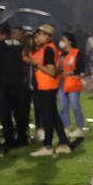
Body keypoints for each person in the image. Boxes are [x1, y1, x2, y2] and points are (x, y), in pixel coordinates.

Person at [25, 23, 72, 156]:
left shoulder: (48, 50)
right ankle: (63, 143)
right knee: (54, 116)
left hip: (46, 87)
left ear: (48, 36)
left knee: (48, 118)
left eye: (40, 34)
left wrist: (37, 64)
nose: (37, 37)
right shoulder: (47, 48)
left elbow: (51, 71)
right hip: (47, 86)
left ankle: (48, 145)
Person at [0, 24, 29, 149]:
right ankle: (22, 137)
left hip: (5, 84)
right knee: (19, 112)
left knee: (5, 113)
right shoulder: (18, 45)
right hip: (18, 83)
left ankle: (10, 140)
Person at [57, 32, 86, 138]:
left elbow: (80, 68)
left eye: (63, 40)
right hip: (61, 83)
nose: (61, 42)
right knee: (63, 107)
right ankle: (66, 127)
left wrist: (69, 73)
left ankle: (79, 127)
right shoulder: (59, 54)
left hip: (73, 83)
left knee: (75, 106)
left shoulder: (76, 52)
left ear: (70, 41)